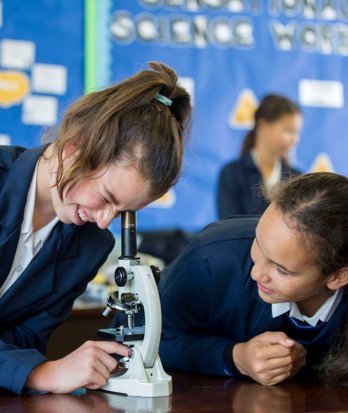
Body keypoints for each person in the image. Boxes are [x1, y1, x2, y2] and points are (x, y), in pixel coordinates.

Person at [0, 61, 191, 394]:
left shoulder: (90, 244)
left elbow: (24, 338)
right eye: (106, 197)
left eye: (121, 212)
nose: (104, 222)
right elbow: (25, 365)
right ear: (75, 147)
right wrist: (39, 374)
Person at [159, 172, 348, 386]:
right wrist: (236, 357)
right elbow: (143, 338)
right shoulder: (212, 256)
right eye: (258, 242)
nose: (256, 273)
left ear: (339, 276)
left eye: (282, 270)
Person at [217, 94, 303, 218]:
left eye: (297, 133)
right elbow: (228, 226)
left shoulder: (297, 179)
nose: (295, 140)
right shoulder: (231, 173)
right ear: (262, 126)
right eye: (288, 131)